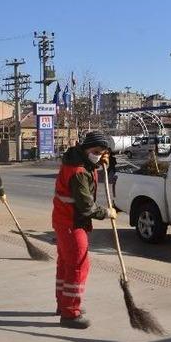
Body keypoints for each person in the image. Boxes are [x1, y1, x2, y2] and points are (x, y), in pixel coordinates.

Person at [52, 131, 116, 329]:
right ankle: (70, 313)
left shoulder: (77, 159)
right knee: (79, 265)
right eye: (96, 151)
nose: (98, 155)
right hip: (72, 223)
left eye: (102, 152)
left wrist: (106, 162)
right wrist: (106, 213)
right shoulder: (78, 171)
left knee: (66, 263)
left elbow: (95, 167)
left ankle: (63, 304)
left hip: (65, 220)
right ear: (86, 148)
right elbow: (87, 207)